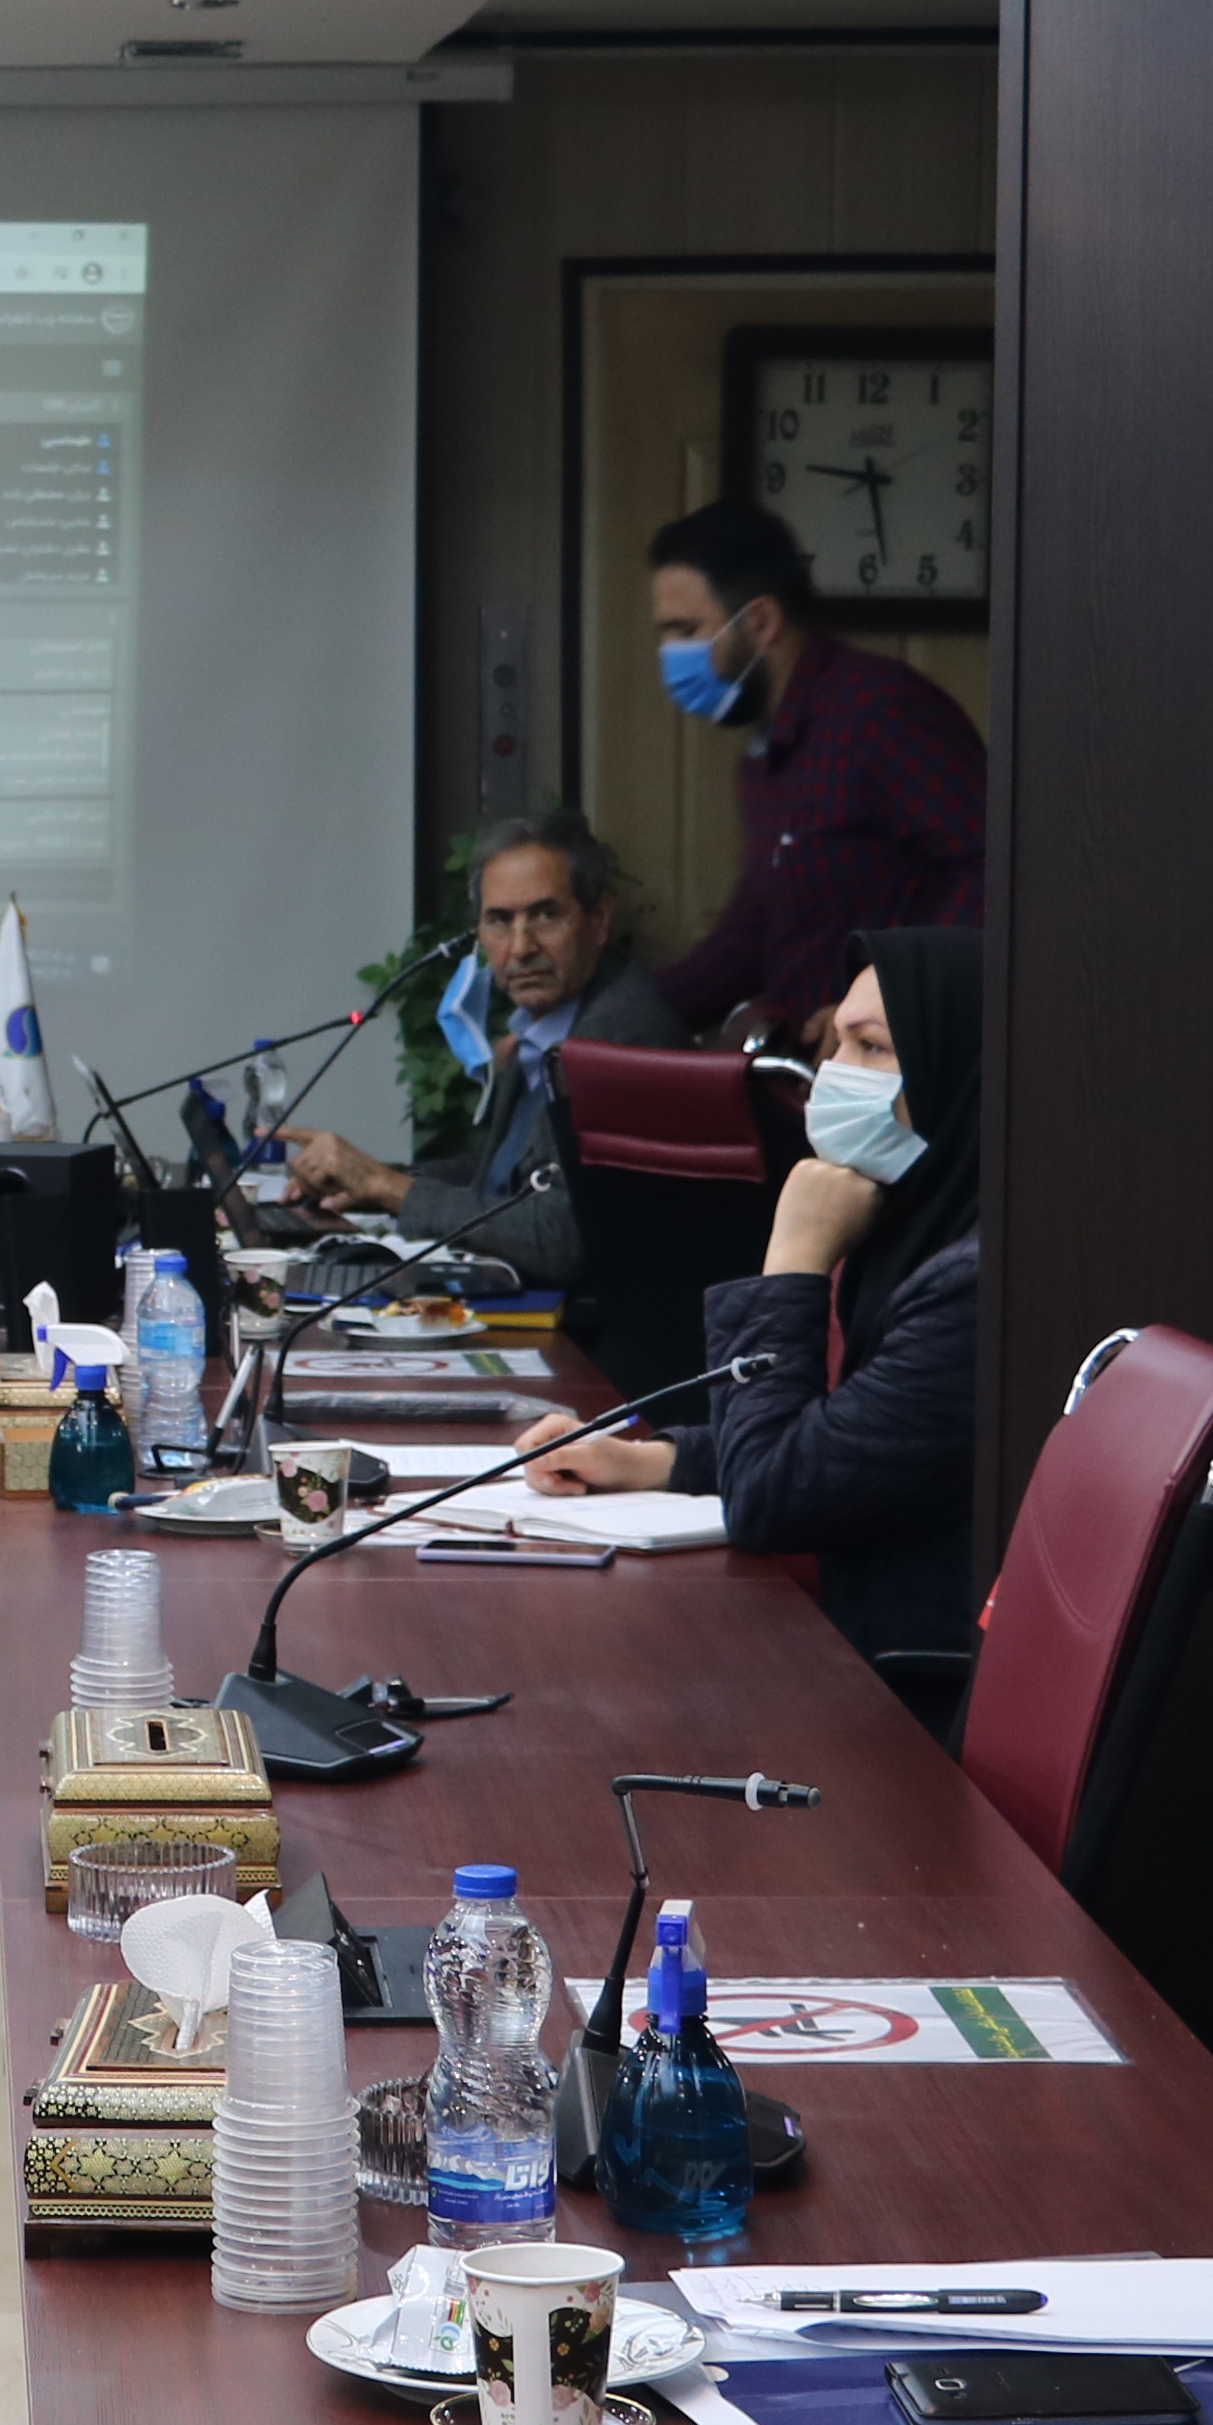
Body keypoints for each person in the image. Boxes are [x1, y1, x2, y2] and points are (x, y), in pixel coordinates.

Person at [507, 928, 981, 1709]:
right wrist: (645, 1461)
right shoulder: (920, 1229)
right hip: (849, 1657)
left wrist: (793, 1255)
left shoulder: (969, 1290)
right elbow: (829, 1444)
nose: (833, 1076)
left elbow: (773, 1494)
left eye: (870, 1048)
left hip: (901, 1704)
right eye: (834, 1045)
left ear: (953, 1070)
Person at [276, 807, 681, 1287]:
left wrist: (388, 1187)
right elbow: (498, 1178)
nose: (521, 947)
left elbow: (560, 1239)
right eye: (500, 921)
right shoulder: (545, 1028)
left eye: (546, 915)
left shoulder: (619, 1041)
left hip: (582, 1325)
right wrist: (364, 1179)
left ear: (599, 919)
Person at [634, 502, 987, 1041]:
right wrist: (602, 1022)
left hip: (900, 1066)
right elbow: (756, 929)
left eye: (686, 630)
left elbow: (995, 868)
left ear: (761, 621)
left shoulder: (877, 711)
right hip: (809, 1070)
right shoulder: (769, 750)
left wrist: (892, 998)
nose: (670, 654)